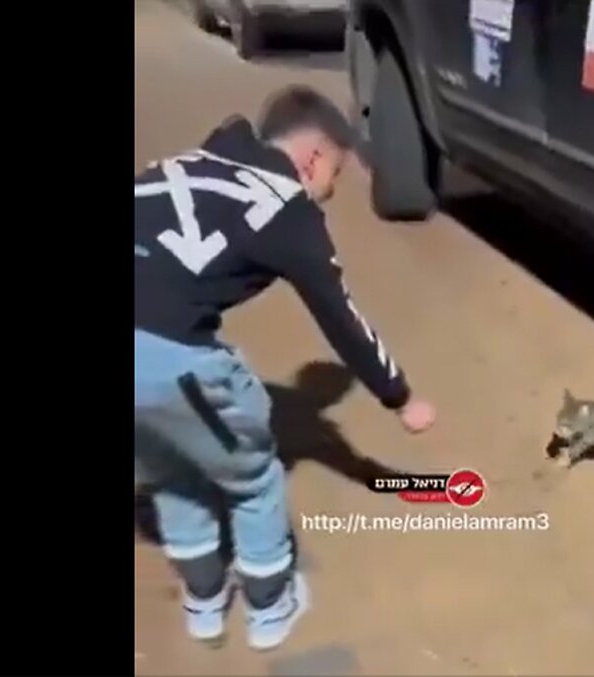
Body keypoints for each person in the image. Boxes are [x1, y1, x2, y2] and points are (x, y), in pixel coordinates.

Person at [133, 85, 436, 651]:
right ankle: (271, 608)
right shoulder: (285, 209)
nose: (328, 192)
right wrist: (400, 397)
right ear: (313, 158)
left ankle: (203, 604)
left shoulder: (187, 165)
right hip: (170, 358)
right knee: (252, 479)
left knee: (170, 467)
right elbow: (342, 319)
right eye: (335, 176)